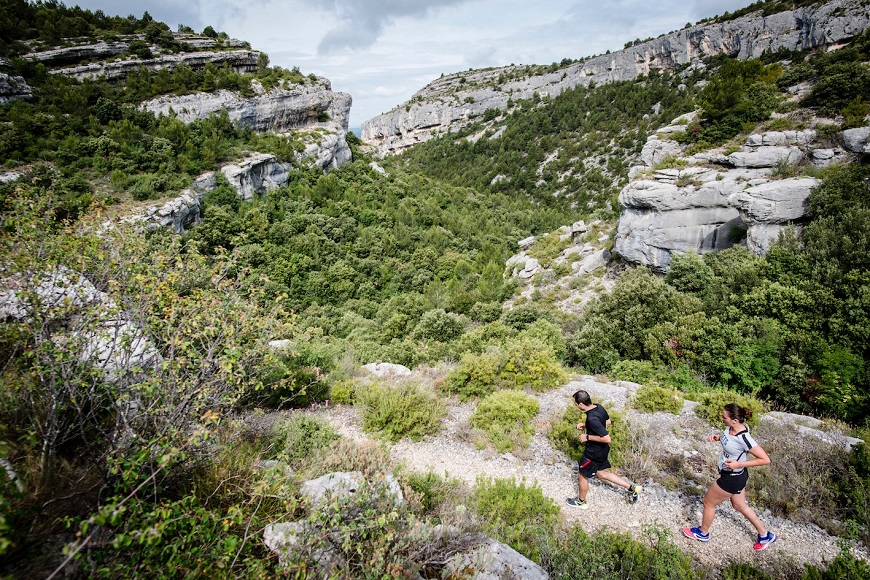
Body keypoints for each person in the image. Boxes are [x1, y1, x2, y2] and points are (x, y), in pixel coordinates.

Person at [682, 403, 778, 551]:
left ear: (734, 420)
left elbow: (765, 459)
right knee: (739, 505)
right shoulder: (730, 428)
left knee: (708, 502)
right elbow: (730, 441)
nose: (722, 419)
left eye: (724, 417)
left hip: (732, 478)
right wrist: (719, 438)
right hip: (734, 476)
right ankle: (765, 535)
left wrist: (739, 464)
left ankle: (703, 533)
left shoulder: (744, 438)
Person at [565, 389, 641, 509]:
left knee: (582, 474)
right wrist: (586, 426)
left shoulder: (591, 418)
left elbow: (607, 438)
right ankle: (632, 488)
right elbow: (607, 422)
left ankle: (581, 502)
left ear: (580, 404)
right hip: (602, 450)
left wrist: (587, 436)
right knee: (601, 474)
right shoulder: (598, 407)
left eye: (575, 404)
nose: (575, 406)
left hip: (593, 453)